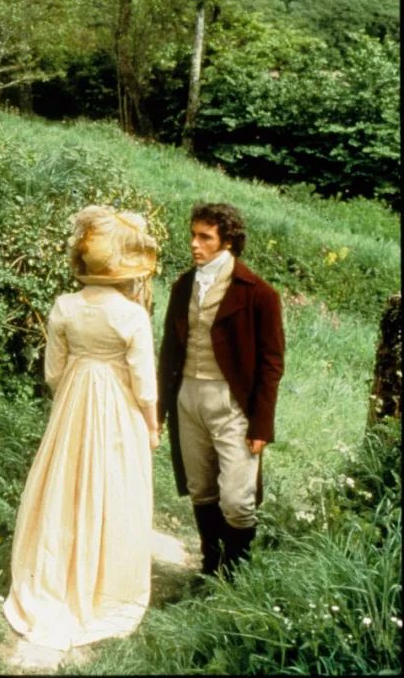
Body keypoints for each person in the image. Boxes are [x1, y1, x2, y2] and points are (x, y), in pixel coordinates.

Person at [3, 205, 160, 655]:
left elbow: (53, 372)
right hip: (118, 408)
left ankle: (55, 577)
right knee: (114, 486)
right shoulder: (132, 316)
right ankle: (104, 586)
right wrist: (151, 426)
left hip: (73, 402)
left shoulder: (65, 306)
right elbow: (144, 384)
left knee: (65, 484)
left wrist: (74, 390)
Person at [158, 202, 285, 580]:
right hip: (188, 396)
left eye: (205, 237)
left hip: (232, 403)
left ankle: (236, 574)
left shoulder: (258, 293)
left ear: (227, 242)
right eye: (193, 235)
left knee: (237, 498)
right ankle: (210, 566)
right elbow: (169, 350)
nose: (194, 244)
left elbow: (272, 363)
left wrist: (261, 424)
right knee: (200, 487)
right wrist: (160, 409)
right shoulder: (183, 286)